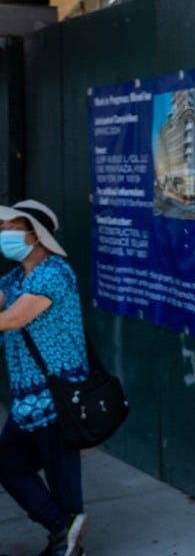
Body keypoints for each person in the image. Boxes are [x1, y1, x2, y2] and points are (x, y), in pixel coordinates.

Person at [0, 200, 89, 556]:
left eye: (11, 228)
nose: (3, 234)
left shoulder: (54, 274)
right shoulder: (14, 277)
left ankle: (65, 540)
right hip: (27, 400)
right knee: (9, 465)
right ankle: (61, 529)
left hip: (57, 397)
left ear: (35, 235)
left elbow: (11, 319)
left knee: (62, 480)